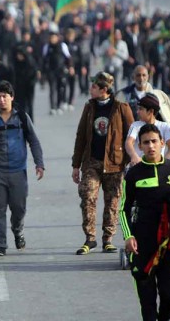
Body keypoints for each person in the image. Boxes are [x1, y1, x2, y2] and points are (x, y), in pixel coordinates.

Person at [120, 124, 170, 321]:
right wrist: (128, 236)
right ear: (140, 146)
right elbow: (123, 208)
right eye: (146, 142)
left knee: (169, 296)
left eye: (154, 141)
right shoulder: (133, 174)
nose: (151, 146)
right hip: (142, 244)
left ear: (162, 143)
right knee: (147, 301)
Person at [0, 81, 45, 256]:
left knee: (19, 209)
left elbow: (34, 141)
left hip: (18, 172)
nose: (1, 100)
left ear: (12, 97)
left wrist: (39, 163)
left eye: (4, 96)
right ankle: (1, 245)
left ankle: (18, 230)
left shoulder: (21, 117)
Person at [71, 72, 134, 255]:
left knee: (112, 202)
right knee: (87, 197)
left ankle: (108, 239)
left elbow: (131, 135)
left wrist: (129, 160)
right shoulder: (89, 107)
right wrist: (76, 165)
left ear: (104, 89)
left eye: (94, 87)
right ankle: (90, 239)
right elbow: (81, 136)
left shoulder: (121, 107)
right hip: (92, 162)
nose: (90, 89)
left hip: (115, 163)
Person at [125, 93, 170, 166]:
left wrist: (164, 162)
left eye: (141, 109)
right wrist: (134, 156)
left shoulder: (164, 127)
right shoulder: (135, 126)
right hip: (140, 166)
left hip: (158, 166)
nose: (137, 112)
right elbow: (129, 143)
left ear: (151, 111)